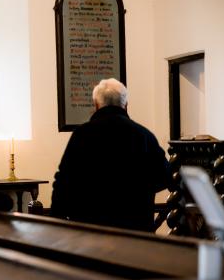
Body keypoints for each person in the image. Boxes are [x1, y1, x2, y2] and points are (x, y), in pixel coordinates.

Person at [51, 78, 169, 232]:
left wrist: (56, 220)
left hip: (89, 229)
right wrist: (140, 189)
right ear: (125, 105)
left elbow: (64, 181)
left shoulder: (82, 135)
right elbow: (164, 176)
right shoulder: (144, 135)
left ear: (96, 105)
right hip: (135, 230)